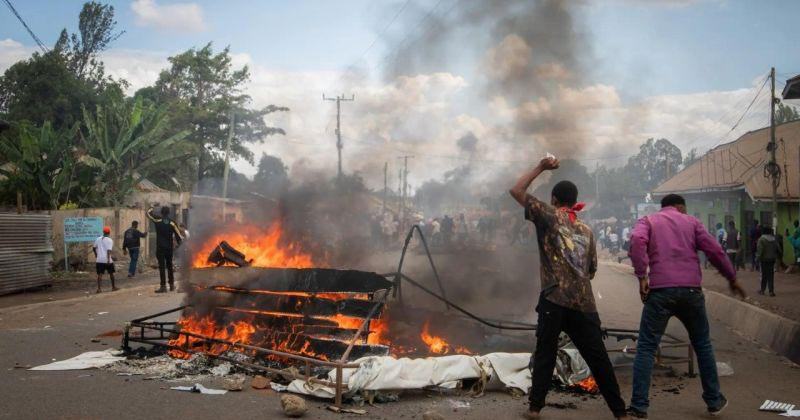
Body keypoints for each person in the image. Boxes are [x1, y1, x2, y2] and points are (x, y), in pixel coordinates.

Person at [509, 157, 629, 420]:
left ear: (553, 199)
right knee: (598, 359)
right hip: (584, 303)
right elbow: (592, 270)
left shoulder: (548, 215)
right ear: (574, 201)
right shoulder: (587, 230)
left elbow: (516, 190)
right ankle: (620, 412)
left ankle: (535, 408)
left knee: (545, 354)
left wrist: (540, 167)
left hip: (554, 298)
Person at [627, 194, 746, 418]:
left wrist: (642, 276)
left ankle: (638, 406)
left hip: (660, 291)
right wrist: (732, 278)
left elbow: (636, 240)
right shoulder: (692, 222)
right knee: (702, 345)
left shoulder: (648, 221)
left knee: (646, 347)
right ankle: (713, 401)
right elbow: (714, 251)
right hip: (691, 291)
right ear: (680, 207)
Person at [146, 206, 183, 293]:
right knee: (169, 266)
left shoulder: (157, 220)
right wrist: (179, 245)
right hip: (169, 248)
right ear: (168, 213)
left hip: (160, 248)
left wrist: (151, 207)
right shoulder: (172, 223)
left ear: (161, 212)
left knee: (162, 267)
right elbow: (179, 236)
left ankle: (163, 286)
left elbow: (148, 214)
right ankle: (171, 285)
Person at [93, 226, 118, 293]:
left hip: (99, 260)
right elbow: (108, 250)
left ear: (103, 232)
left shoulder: (97, 239)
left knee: (100, 274)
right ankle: (113, 287)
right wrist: (108, 260)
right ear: (109, 232)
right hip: (107, 260)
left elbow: (94, 248)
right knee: (111, 273)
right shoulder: (110, 240)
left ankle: (99, 289)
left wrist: (96, 255)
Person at [756, 226, 780, 296]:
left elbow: (760, 250)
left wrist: (758, 258)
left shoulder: (761, 239)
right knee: (771, 275)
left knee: (764, 275)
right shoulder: (773, 239)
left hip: (764, 259)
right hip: (772, 259)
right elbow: (778, 249)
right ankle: (771, 291)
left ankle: (762, 290)